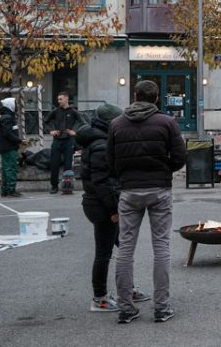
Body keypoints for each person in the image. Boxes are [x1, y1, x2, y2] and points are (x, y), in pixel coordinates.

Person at [110, 80, 187, 324]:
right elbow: (180, 156)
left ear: (135, 96)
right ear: (156, 99)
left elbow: (110, 160)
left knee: (125, 248)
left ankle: (125, 307)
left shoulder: (117, 123)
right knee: (161, 246)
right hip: (159, 188)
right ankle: (161, 307)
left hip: (129, 189)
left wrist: (125, 174)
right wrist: (164, 169)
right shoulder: (167, 122)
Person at [79, 104, 150, 312]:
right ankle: (99, 297)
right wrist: (113, 210)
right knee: (104, 252)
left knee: (124, 246)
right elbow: (101, 182)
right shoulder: (100, 144)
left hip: (101, 202)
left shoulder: (99, 140)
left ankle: (127, 287)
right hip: (102, 205)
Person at [46, 91, 84, 194]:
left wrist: (75, 131)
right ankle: (54, 186)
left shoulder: (74, 111)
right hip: (57, 141)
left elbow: (83, 122)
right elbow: (46, 122)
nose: (59, 101)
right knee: (54, 164)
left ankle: (68, 187)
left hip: (68, 141)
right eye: (58, 99)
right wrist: (51, 130)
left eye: (61, 99)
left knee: (68, 165)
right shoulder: (55, 111)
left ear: (67, 99)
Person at [0, 97, 23, 198]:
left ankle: (5, 190)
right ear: (10, 105)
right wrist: (20, 140)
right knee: (11, 168)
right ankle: (11, 190)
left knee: (5, 169)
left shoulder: (5, 116)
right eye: (15, 103)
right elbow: (8, 133)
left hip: (5, 147)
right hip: (9, 147)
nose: (16, 106)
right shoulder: (8, 117)